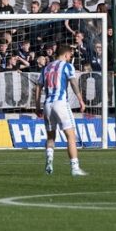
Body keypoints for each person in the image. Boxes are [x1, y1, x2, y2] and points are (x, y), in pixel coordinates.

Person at [34, 44, 87, 177]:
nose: (70, 58)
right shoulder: (67, 66)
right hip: (60, 103)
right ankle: (75, 168)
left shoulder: (46, 68)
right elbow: (74, 83)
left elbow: (38, 87)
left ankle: (49, 160)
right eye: (70, 55)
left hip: (47, 105)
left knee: (51, 137)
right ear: (65, 54)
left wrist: (37, 106)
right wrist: (80, 99)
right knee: (71, 136)